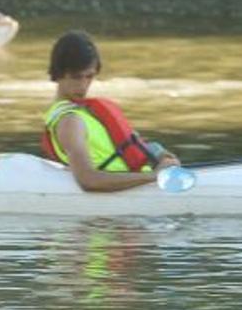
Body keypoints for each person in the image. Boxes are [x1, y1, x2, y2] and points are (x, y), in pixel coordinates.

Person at [42, 30, 180, 192]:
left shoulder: (86, 112)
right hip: (136, 187)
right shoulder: (69, 121)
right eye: (76, 77)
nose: (83, 85)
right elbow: (88, 180)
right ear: (58, 74)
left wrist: (162, 155)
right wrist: (156, 176)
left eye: (89, 76)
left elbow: (136, 144)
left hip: (139, 180)